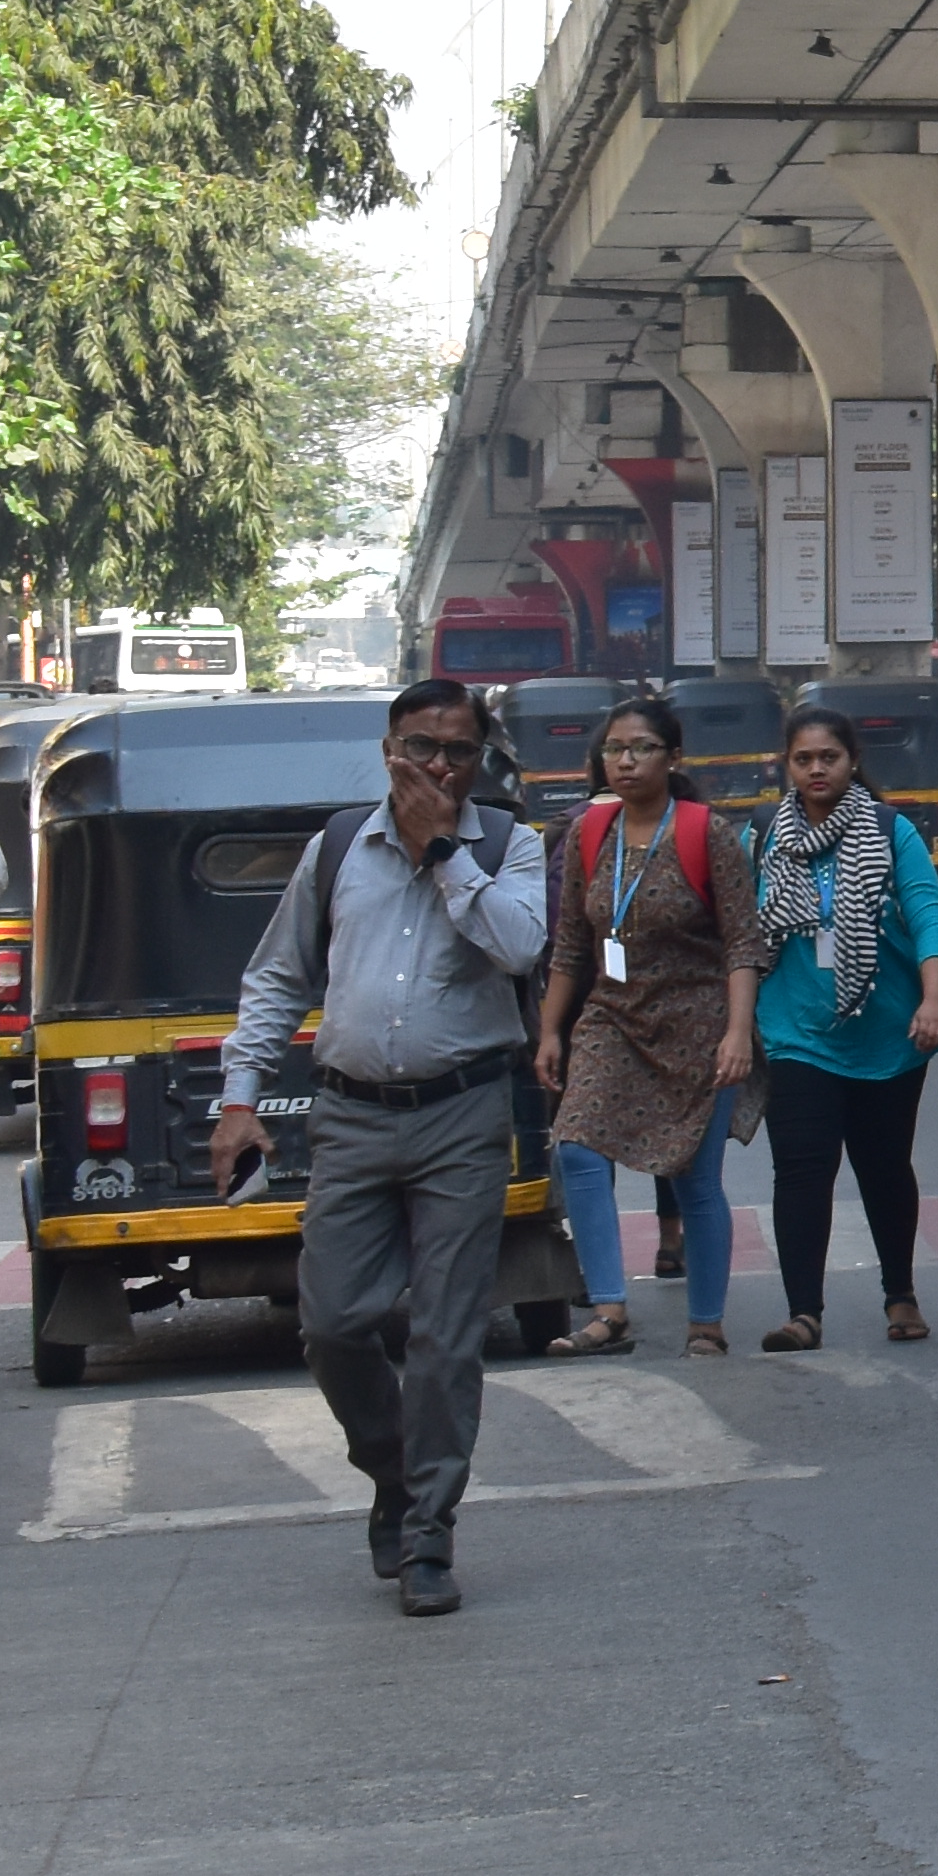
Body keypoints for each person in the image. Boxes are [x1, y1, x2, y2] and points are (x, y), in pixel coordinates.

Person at [211, 677, 550, 1618]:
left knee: (446, 1336)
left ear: (479, 760)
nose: (439, 767)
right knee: (332, 1324)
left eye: (459, 752)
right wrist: (239, 1101)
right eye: (422, 748)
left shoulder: (507, 844)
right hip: (351, 1116)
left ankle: (430, 1533)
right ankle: (395, 1473)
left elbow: (521, 948)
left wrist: (444, 853)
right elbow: (277, 979)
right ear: (388, 748)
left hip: (464, 1115)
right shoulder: (335, 849)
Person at [529, 688, 758, 1356]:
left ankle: (706, 1321)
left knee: (695, 1177)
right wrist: (550, 1030)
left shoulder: (705, 832)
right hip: (612, 1016)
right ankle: (608, 1310)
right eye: (614, 750)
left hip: (699, 1022)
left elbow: (743, 942)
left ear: (673, 756)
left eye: (641, 749)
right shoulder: (587, 834)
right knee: (576, 1145)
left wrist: (739, 1033)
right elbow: (571, 941)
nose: (625, 762)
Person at [750, 703, 938, 1349]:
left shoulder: (892, 831)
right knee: (801, 1167)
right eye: (803, 759)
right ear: (786, 765)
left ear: (853, 762)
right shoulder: (761, 837)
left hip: (887, 1035)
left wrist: (933, 1000)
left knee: (884, 1164)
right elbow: (738, 936)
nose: (816, 769)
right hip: (795, 1032)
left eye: (828, 758)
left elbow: (927, 915)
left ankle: (900, 1293)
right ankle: (803, 1312)